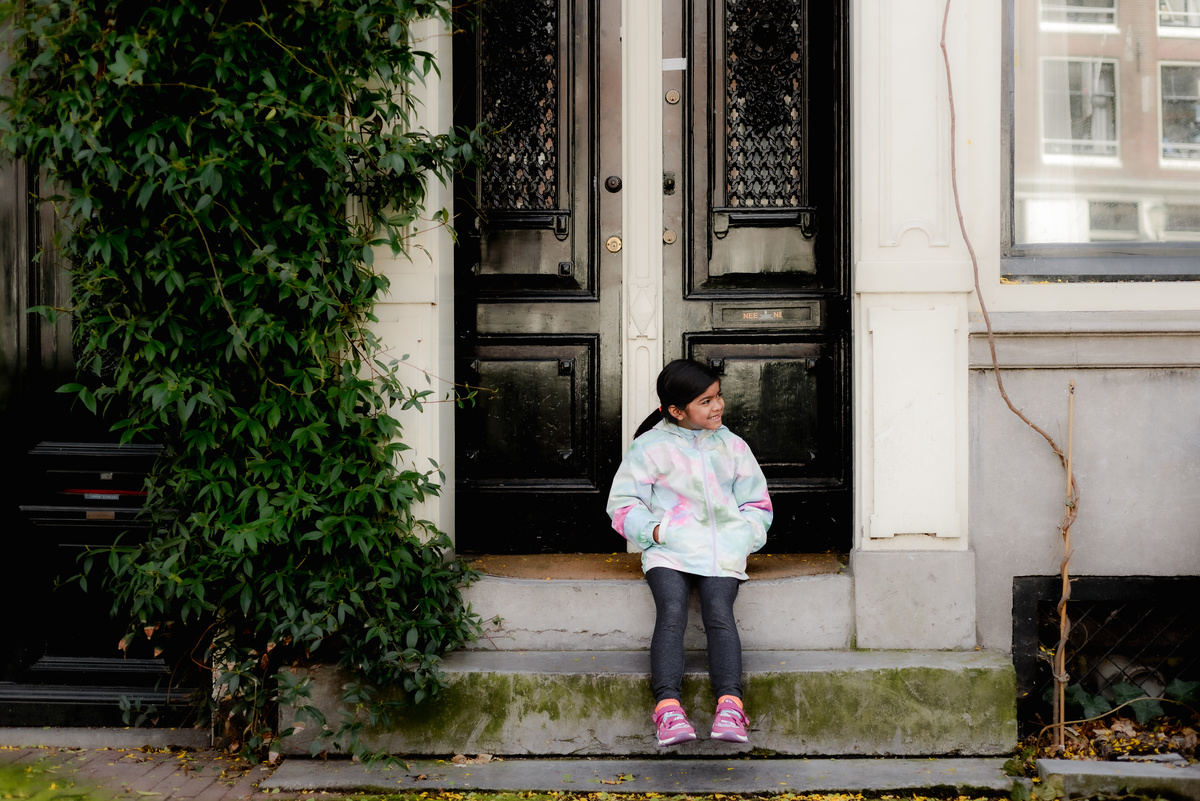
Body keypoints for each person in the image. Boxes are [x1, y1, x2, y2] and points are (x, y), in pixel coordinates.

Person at [606, 359, 772, 747]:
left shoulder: (733, 446)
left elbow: (757, 503)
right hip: (670, 552)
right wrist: (656, 532)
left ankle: (730, 706)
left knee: (718, 611)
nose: (717, 406)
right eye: (706, 401)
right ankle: (668, 708)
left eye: (718, 396)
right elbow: (624, 504)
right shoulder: (650, 447)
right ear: (677, 411)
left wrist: (744, 537)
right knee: (672, 612)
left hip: (720, 552)